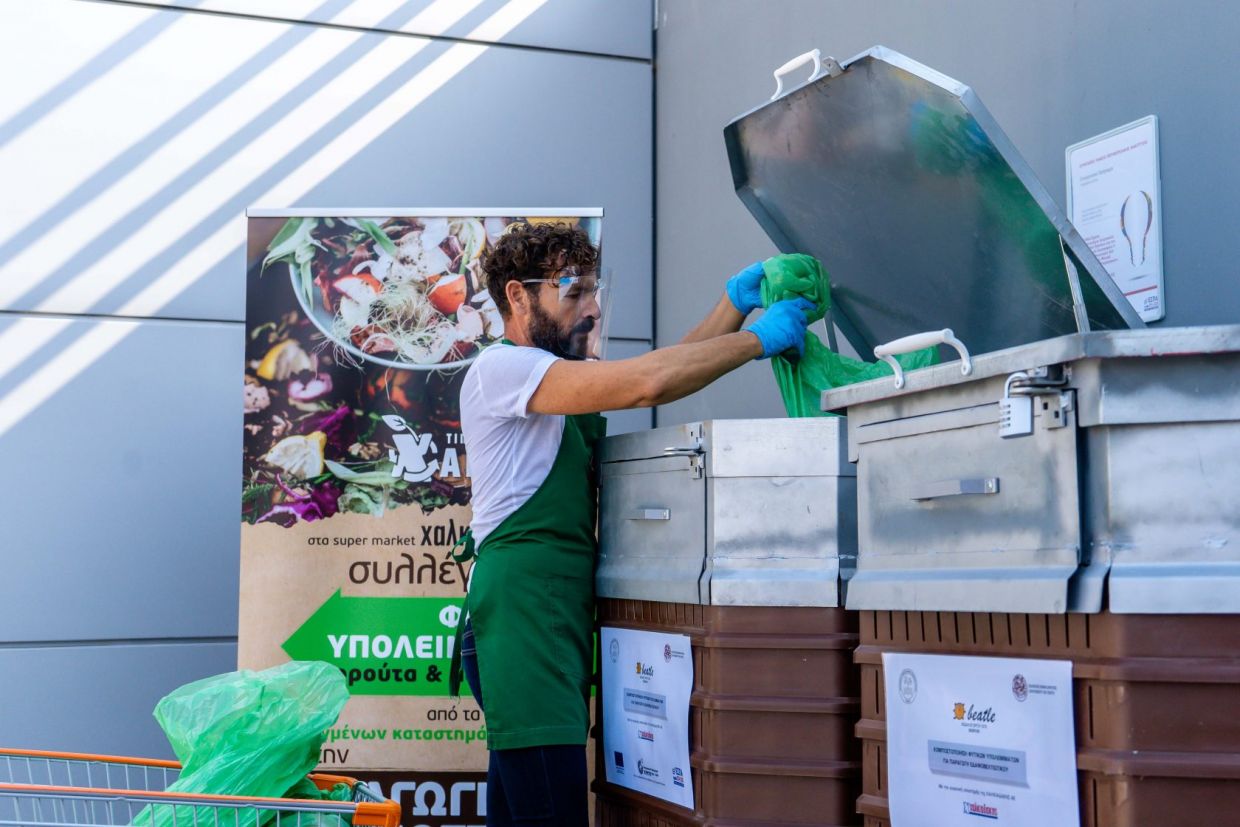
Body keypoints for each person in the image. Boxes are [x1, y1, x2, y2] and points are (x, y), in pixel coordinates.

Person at [452, 221, 812, 826]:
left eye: (594, 292)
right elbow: (648, 381)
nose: (591, 309)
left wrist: (732, 304)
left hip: (547, 613)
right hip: (521, 617)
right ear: (517, 296)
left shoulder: (552, 371)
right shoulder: (504, 370)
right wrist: (758, 341)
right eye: (574, 293)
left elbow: (660, 373)